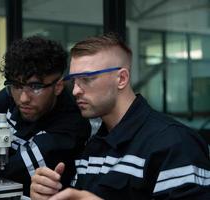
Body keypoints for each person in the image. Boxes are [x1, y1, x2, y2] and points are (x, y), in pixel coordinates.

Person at [30, 33, 210, 200]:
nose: (76, 90)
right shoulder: (93, 145)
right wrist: (50, 194)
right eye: (74, 81)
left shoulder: (174, 143)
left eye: (86, 78)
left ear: (122, 79)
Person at [0, 36, 91, 196]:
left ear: (58, 86)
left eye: (36, 87)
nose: (24, 99)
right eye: (17, 85)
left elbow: (10, 173)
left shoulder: (72, 123)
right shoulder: (11, 96)